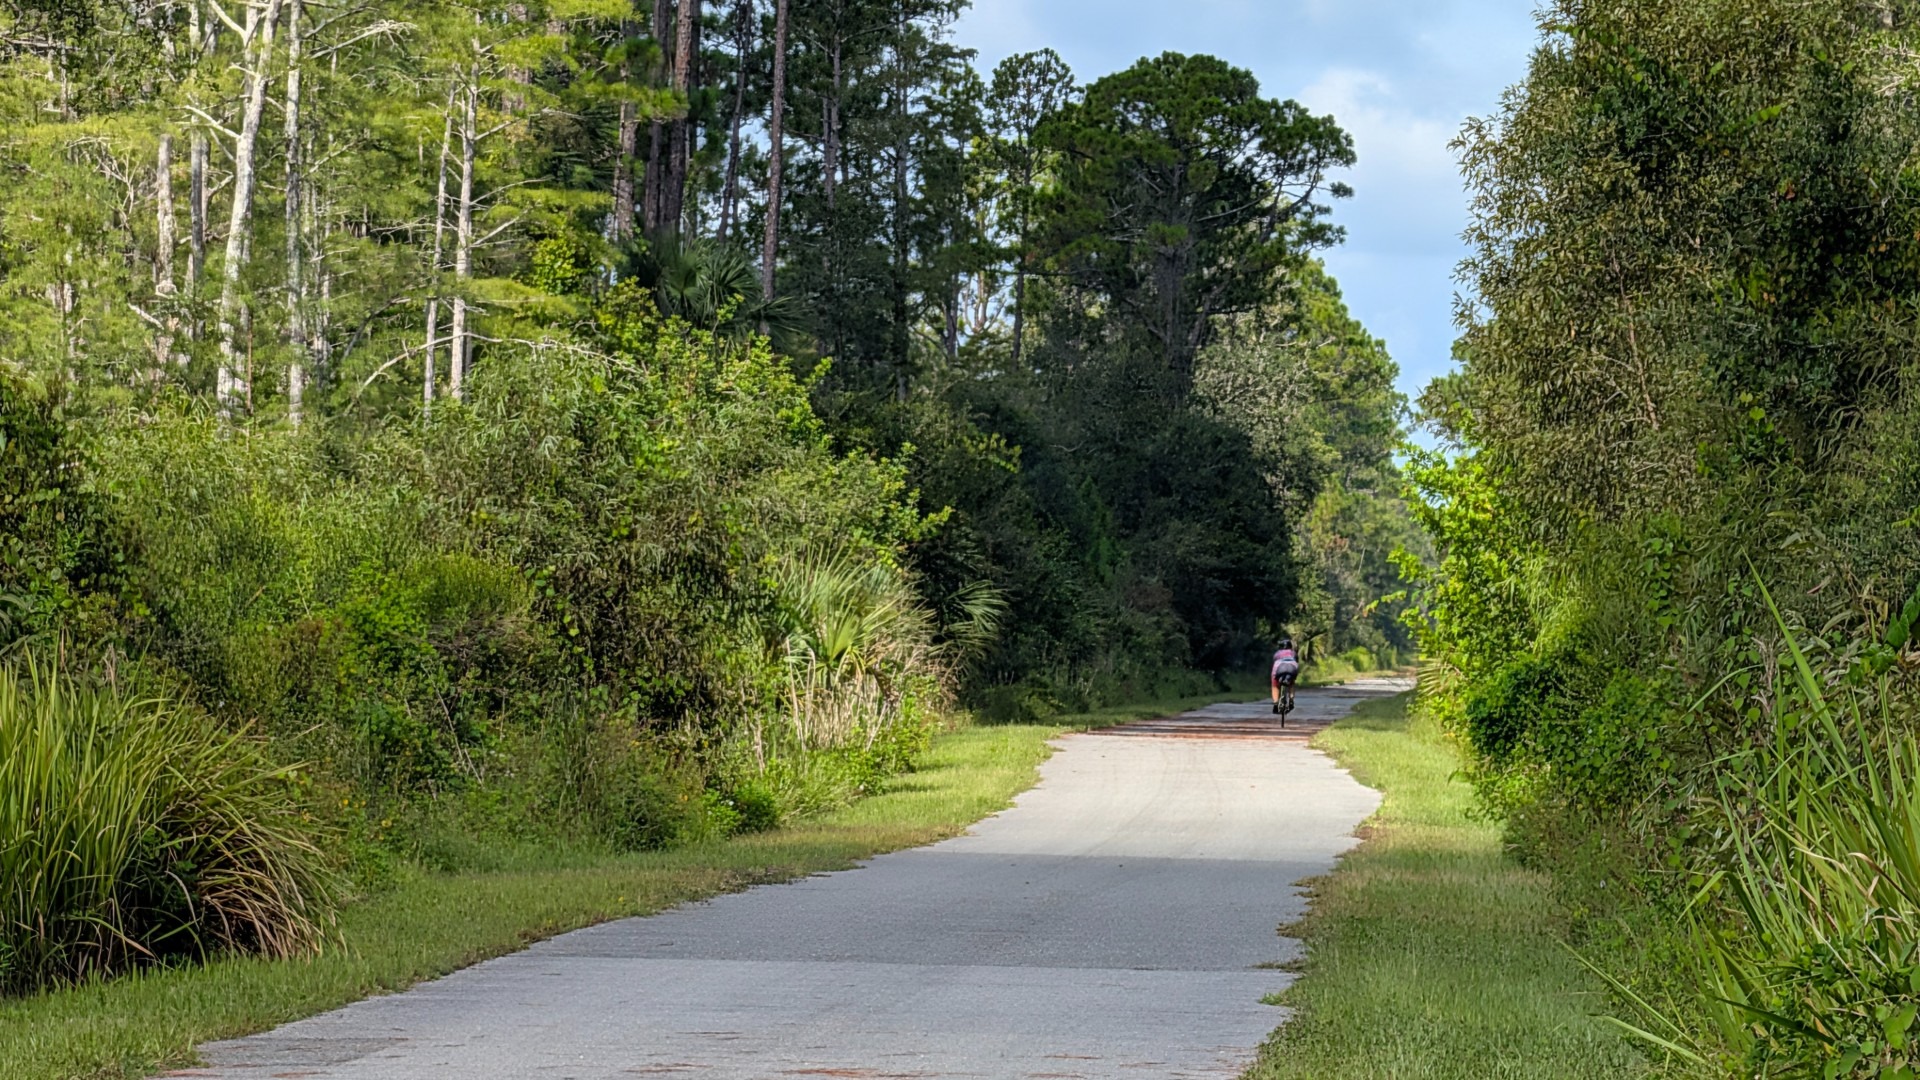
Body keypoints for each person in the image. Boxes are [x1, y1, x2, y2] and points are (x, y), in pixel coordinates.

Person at [1271, 639, 1300, 715]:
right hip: (1292, 668)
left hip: (1280, 668)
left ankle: (1275, 704)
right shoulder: (1293, 653)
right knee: (1291, 683)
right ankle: (1291, 700)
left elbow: (1274, 661)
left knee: (1275, 685)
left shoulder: (1277, 653)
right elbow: (1297, 661)